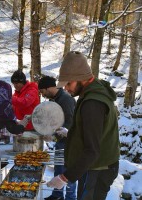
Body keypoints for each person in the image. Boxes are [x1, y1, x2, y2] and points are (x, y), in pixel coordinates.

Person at [47, 51, 120, 200]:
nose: (66, 88)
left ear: (80, 79)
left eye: (68, 83)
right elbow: (97, 130)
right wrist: (71, 133)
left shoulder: (92, 103)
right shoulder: (94, 91)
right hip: (97, 166)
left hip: (98, 169)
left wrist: (64, 178)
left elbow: (92, 150)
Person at [38, 76, 76, 200]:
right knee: (58, 168)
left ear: (49, 87)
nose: (42, 95)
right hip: (60, 142)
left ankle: (70, 197)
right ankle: (57, 195)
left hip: (69, 143)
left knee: (68, 171)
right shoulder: (54, 99)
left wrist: (53, 136)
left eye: (43, 92)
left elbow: (69, 124)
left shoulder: (66, 99)